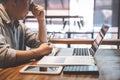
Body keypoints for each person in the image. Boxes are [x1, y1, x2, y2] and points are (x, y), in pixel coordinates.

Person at [0, 0, 53, 68]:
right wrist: (38, 52)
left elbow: (40, 44)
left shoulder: (18, 24)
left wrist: (41, 19)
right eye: (29, 3)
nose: (31, 8)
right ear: (14, 2)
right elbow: (3, 56)